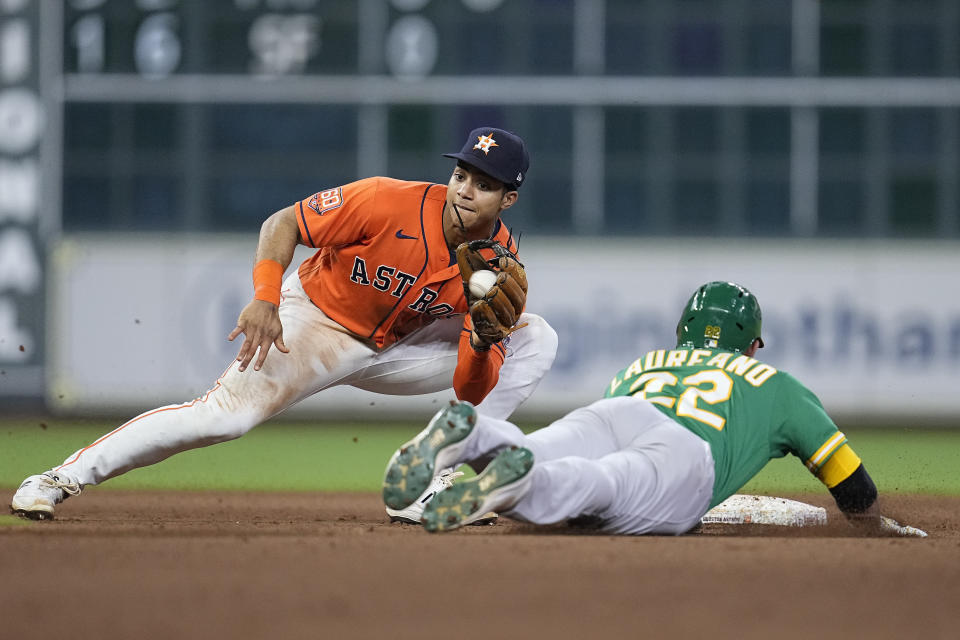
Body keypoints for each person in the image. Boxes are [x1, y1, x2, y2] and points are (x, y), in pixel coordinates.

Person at [10, 127, 558, 523]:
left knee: (535, 336)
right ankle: (60, 478)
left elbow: (470, 389)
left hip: (402, 348)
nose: (465, 189)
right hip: (314, 323)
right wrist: (267, 297)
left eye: (484, 184)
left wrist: (484, 343)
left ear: (508, 199)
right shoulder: (385, 200)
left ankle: (433, 476)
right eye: (461, 174)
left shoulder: (500, 265)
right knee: (222, 419)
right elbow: (284, 224)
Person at [383, 281, 926, 537]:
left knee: (547, 446)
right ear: (753, 344)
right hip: (684, 456)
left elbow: (616, 417)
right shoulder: (777, 385)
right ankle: (511, 487)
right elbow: (854, 489)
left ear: (681, 334)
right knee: (604, 486)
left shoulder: (643, 364)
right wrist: (875, 527)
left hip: (622, 408)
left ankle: (475, 435)